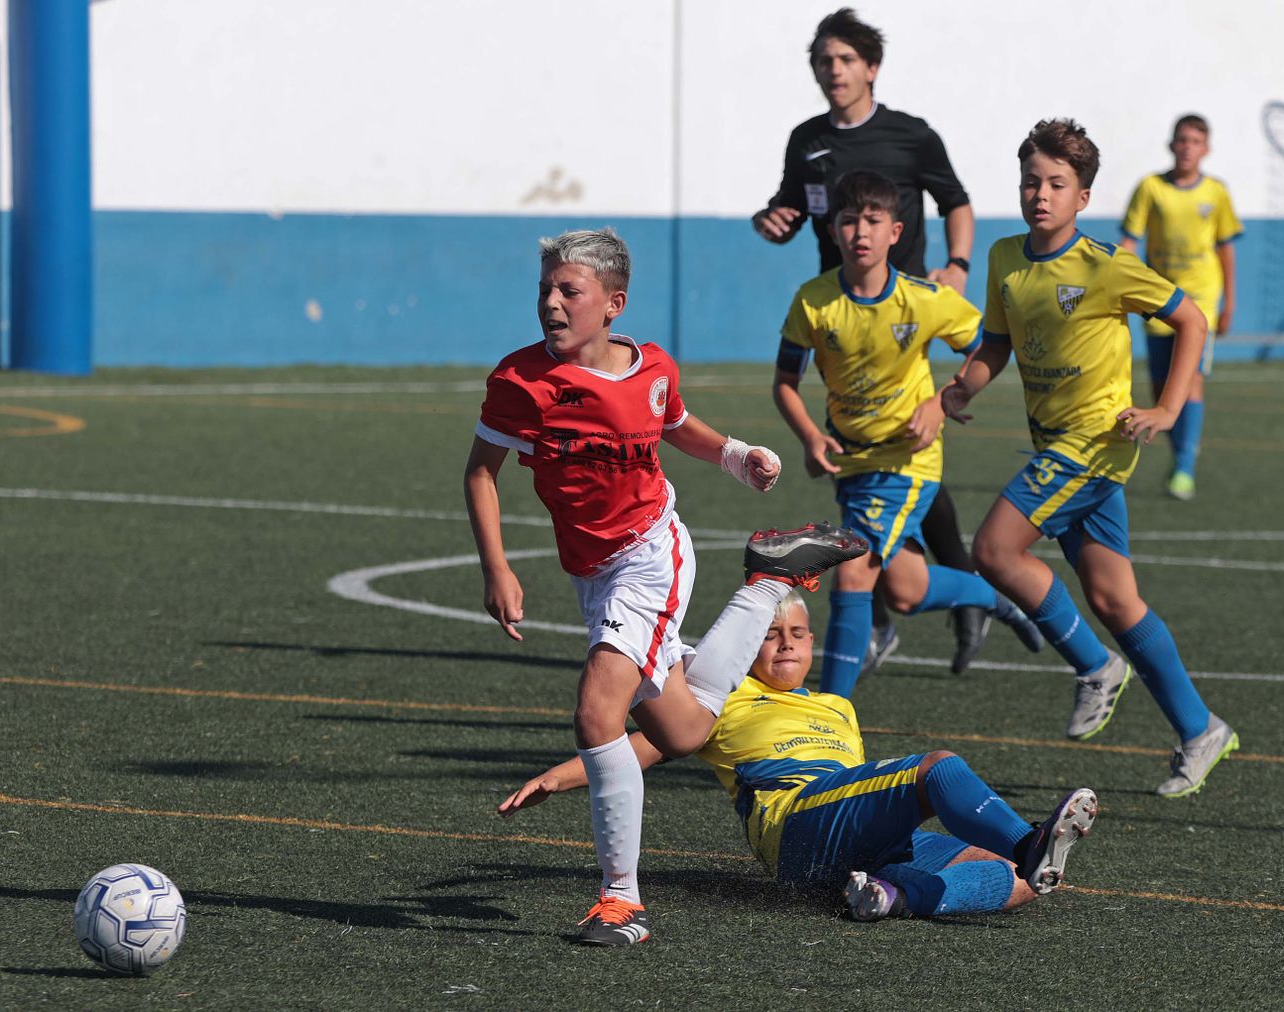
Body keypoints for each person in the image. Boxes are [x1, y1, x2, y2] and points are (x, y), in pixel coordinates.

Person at [466, 226, 841, 946]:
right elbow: (481, 470)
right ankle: (769, 582)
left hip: (649, 554)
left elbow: (675, 423)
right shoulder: (519, 383)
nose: (550, 302)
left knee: (595, 714)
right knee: (683, 729)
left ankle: (621, 901)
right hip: (592, 572)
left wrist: (736, 454)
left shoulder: (651, 368)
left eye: (567, 291)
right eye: (544, 289)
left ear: (613, 303)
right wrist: (498, 566)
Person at [500, 587, 1099, 923]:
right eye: (768, 633)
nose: (785, 642)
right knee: (937, 768)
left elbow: (860, 790)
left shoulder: (839, 706)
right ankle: (1028, 839)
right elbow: (633, 749)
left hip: (848, 833)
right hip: (796, 827)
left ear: (812, 643)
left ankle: (891, 898)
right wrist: (555, 778)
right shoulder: (720, 696)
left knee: (1025, 883)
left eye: (797, 633)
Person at [945, 119, 1240, 797]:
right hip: (1056, 443)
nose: (1040, 194)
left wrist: (1167, 409)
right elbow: (995, 345)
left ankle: (1092, 666)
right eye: (1031, 181)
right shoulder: (1003, 259)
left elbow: (1190, 318)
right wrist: (956, 391)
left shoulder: (1105, 264)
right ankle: (1200, 729)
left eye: (1057, 184)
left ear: (1082, 197)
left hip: (1095, 443)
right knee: (1113, 597)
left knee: (994, 550)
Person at [751, 7, 993, 675]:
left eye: (845, 60)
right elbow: (790, 205)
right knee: (869, 463)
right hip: (842, 318)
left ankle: (905, 610)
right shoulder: (807, 140)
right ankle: (935, 597)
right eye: (823, 62)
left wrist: (959, 266)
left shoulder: (909, 136)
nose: (833, 71)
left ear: (871, 68)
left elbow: (957, 201)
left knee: (904, 460)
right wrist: (772, 220)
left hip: (907, 311)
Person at [771, 171, 1042, 700]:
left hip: (908, 463)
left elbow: (987, 346)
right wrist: (808, 435)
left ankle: (831, 719)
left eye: (873, 221)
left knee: (852, 575)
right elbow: (784, 383)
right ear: (832, 230)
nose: (860, 233)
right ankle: (991, 596)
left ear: (896, 232)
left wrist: (944, 402)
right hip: (851, 464)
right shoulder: (814, 301)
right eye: (849, 221)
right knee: (906, 590)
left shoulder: (923, 299)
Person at [1119, 114, 1243, 502]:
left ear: (1206, 149)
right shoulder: (1151, 188)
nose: (1188, 147)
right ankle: (1183, 450)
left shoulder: (1216, 193)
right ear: (1171, 145)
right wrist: (1124, 287)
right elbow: (1129, 241)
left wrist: (1228, 305)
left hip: (1201, 300)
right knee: (1162, 389)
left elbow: (1225, 249)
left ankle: (1185, 467)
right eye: (1182, 140)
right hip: (1160, 298)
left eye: (1195, 141)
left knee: (1189, 379)